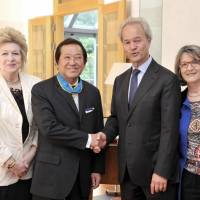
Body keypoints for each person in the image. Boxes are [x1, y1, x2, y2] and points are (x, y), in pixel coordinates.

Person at [96, 17, 181, 200]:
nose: (132, 46)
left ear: (148, 41)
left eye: (137, 40)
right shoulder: (120, 80)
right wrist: (105, 135)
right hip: (127, 173)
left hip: (155, 175)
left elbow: (170, 130)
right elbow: (116, 118)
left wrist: (161, 171)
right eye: (127, 42)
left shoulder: (167, 80)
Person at [30, 38, 105, 200]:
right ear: (57, 61)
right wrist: (87, 139)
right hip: (51, 178)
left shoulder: (93, 92)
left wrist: (97, 168)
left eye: (78, 57)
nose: (73, 62)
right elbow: (49, 129)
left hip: (82, 176)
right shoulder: (41, 90)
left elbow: (98, 129)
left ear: (84, 62)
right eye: (67, 57)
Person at [0, 27, 40, 200]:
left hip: (28, 169)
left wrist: (29, 157)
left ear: (22, 56)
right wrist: (11, 163)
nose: (10, 58)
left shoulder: (36, 84)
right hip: (2, 171)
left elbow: (40, 126)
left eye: (15, 53)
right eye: (4, 53)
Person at [174, 45, 200, 200]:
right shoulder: (176, 101)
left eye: (195, 62)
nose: (189, 68)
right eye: (184, 64)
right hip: (189, 177)